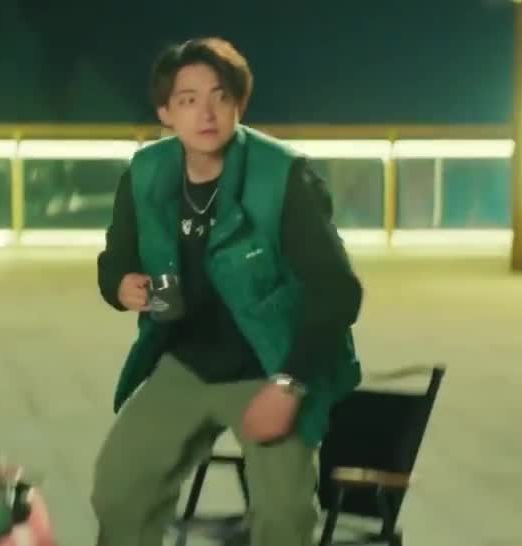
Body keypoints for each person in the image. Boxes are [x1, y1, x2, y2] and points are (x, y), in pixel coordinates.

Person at [91, 37, 364, 546]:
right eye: (188, 100)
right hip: (186, 361)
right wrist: (120, 285)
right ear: (165, 112)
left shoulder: (282, 176)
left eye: (220, 96)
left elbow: (338, 291)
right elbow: (116, 260)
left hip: (271, 364)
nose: (207, 113)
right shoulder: (146, 174)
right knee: (119, 492)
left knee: (283, 518)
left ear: (239, 103)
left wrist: (289, 384)